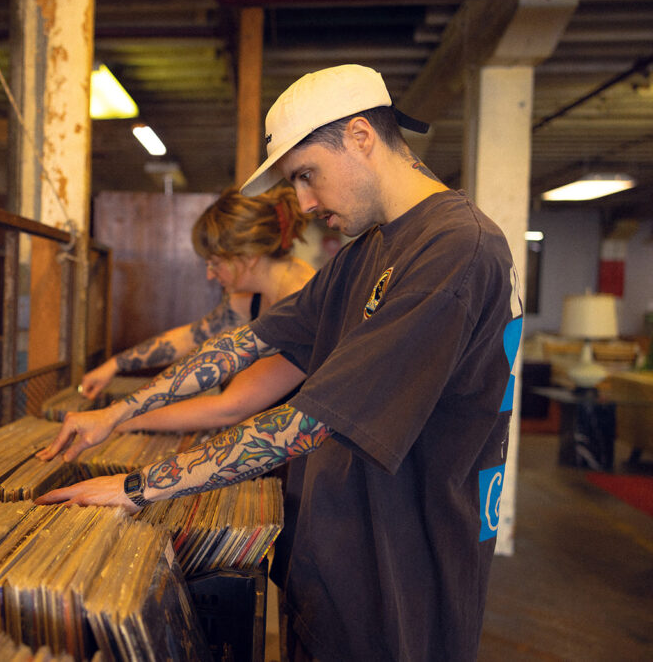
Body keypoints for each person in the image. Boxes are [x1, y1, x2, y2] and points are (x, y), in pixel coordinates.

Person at [37, 63, 523, 661]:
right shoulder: (369, 247)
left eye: (307, 175)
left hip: (402, 573)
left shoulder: (455, 249)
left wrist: (137, 488)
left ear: (361, 137)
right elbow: (249, 340)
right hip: (340, 550)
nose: (303, 201)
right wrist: (117, 412)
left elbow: (308, 421)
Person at [78, 185, 315, 400]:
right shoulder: (253, 294)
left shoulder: (300, 301)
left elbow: (231, 406)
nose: (210, 275)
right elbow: (192, 336)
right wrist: (115, 365)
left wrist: (118, 418)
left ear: (248, 256)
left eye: (215, 263)